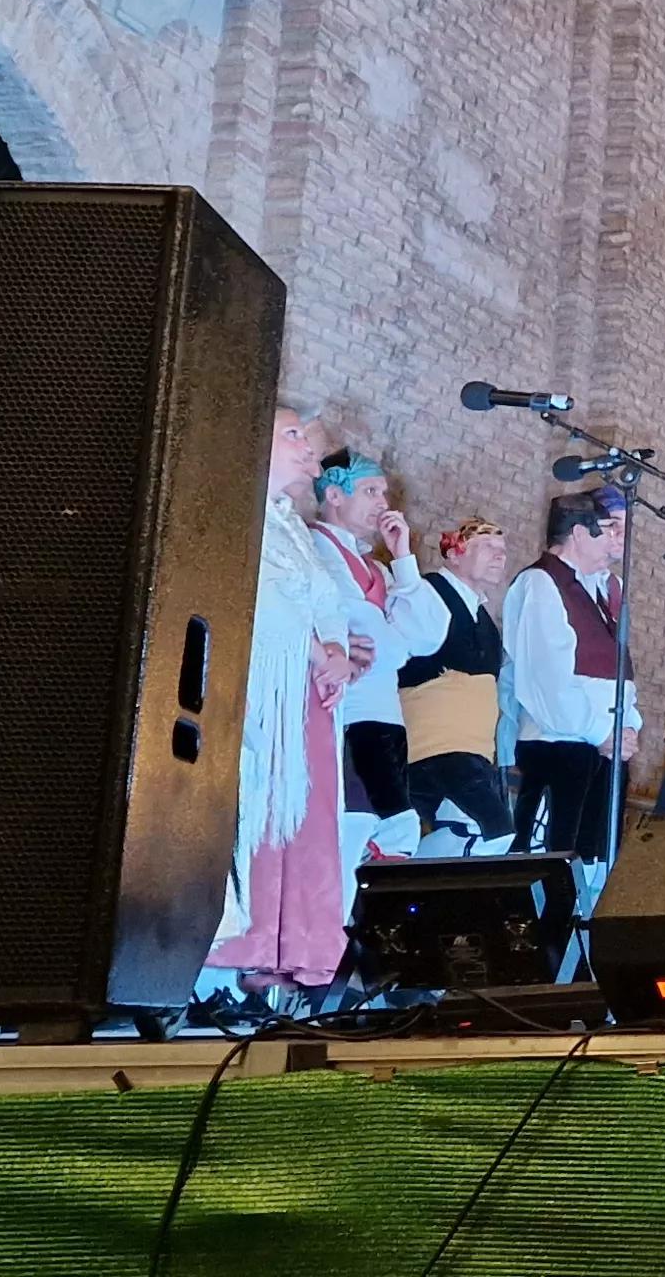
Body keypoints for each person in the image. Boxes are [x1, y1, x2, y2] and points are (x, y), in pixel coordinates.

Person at [205, 408, 366, 998]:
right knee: (260, 810)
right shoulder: (234, 514)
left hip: (309, 696)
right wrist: (314, 650)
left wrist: (339, 654)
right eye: (292, 436)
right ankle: (236, 949)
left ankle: (286, 952)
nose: (308, 450)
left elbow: (328, 600)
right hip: (265, 689)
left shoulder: (291, 527)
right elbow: (253, 594)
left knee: (306, 820)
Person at [311, 446, 447, 860]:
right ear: (335, 495)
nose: (383, 504)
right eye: (370, 491)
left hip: (387, 713)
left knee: (385, 827)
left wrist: (404, 558)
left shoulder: (377, 567)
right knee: (385, 826)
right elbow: (367, 632)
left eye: (383, 493)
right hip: (349, 712)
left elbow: (426, 637)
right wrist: (390, 639)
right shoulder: (315, 549)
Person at [502, 489, 637, 880]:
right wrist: (602, 732)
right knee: (554, 863)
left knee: (596, 861)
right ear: (578, 534)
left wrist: (629, 725)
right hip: (559, 744)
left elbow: (619, 667)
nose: (614, 540)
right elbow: (546, 677)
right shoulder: (540, 583)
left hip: (603, 744)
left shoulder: (607, 589)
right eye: (606, 530)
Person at [403, 518, 516, 855]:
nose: (499, 556)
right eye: (487, 547)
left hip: (474, 751)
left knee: (466, 832)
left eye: (502, 550)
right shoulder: (430, 593)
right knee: (496, 831)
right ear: (454, 553)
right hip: (435, 747)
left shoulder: (482, 617)